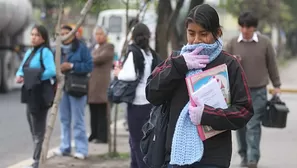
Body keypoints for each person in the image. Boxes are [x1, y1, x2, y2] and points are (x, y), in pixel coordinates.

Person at [146, 4, 254, 168]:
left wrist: (207, 115)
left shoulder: (229, 64)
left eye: (203, 34)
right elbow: (152, 93)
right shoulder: (176, 60)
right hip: (175, 156)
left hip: (212, 158)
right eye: (191, 33)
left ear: (217, 33)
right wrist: (179, 66)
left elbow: (244, 111)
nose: (196, 40)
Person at [225, 12, 281, 168]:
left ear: (254, 27)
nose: (244, 30)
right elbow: (222, 66)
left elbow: (272, 65)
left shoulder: (265, 43)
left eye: (247, 27)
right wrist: (233, 62)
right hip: (238, 92)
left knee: (253, 125)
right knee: (240, 126)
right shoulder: (231, 44)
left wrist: (277, 85)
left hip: (258, 92)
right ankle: (243, 155)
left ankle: (252, 159)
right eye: (241, 26)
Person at [113, 23, 160, 168]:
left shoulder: (133, 51)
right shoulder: (151, 53)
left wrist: (118, 73)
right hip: (149, 103)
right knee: (140, 141)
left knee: (137, 142)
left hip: (136, 104)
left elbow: (130, 75)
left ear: (133, 36)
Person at [16, 25, 56, 168]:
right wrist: (20, 76)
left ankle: (37, 160)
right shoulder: (30, 52)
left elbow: (51, 71)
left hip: (40, 94)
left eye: (37, 35)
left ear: (43, 38)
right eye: (32, 34)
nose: (33, 37)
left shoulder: (45, 52)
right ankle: (38, 156)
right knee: (32, 128)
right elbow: (21, 69)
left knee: (39, 130)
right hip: (29, 93)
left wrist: (35, 78)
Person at [54, 25, 93, 159]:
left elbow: (89, 66)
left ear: (73, 35)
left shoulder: (82, 48)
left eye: (67, 33)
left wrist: (71, 66)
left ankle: (81, 149)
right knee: (64, 119)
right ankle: (65, 147)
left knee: (78, 120)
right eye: (62, 33)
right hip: (62, 87)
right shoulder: (57, 50)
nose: (64, 36)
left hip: (77, 88)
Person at [88, 26, 114, 143]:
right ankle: (94, 133)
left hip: (102, 84)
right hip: (93, 84)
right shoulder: (94, 47)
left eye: (100, 34)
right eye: (96, 34)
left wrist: (89, 58)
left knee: (102, 110)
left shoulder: (109, 47)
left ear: (105, 36)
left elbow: (99, 58)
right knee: (93, 109)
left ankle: (103, 136)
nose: (98, 37)